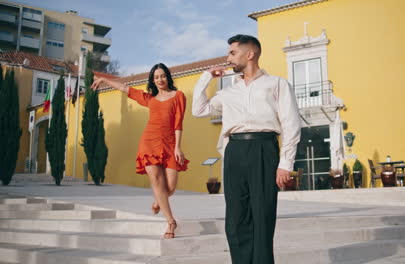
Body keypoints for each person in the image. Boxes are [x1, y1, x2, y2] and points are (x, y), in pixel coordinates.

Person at [192, 34, 301, 264]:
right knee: (235, 218)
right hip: (234, 152)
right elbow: (199, 109)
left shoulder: (277, 84)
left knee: (262, 216)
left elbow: (291, 125)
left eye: (232, 52)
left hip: (264, 149)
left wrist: (285, 164)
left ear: (250, 54)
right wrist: (207, 76)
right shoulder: (228, 92)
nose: (228, 57)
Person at [91, 63, 189, 238]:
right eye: (156, 77)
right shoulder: (149, 98)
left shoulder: (178, 96)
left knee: (171, 187)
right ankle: (171, 222)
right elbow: (124, 88)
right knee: (157, 180)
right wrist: (104, 79)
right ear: (153, 80)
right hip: (149, 143)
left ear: (168, 76)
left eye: (163, 76)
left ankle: (160, 201)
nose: (160, 79)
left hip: (170, 145)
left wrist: (178, 147)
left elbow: (178, 123)